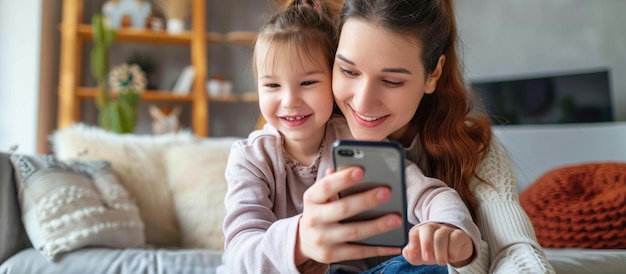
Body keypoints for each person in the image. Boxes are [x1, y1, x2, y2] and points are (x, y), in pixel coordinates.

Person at [298, 0, 556, 273]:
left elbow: (514, 249)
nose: (362, 103)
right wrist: (297, 240)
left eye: (392, 81)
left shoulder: (473, 148)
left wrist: (458, 255)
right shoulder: (296, 139)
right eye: (348, 71)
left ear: (433, 74)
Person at [222, 0, 481, 273]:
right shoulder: (251, 158)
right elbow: (238, 252)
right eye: (272, 85)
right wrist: (300, 240)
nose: (289, 100)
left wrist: (449, 226)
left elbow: (424, 193)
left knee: (431, 268)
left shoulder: (356, 144)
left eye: (308, 83)